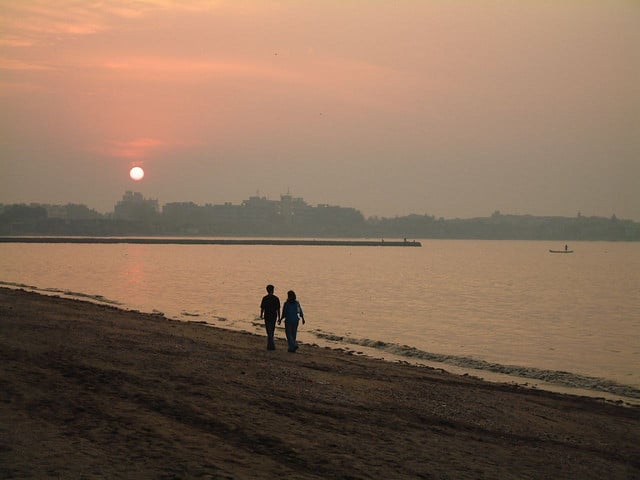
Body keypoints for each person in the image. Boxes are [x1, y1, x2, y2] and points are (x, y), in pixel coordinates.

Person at [260, 284, 280, 350]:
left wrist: (261, 314)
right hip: (273, 316)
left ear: (267, 290)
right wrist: (279, 317)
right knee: (272, 330)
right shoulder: (276, 298)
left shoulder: (265, 298)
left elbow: (262, 308)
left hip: (267, 315)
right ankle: (271, 345)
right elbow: (278, 309)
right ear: (273, 290)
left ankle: (270, 345)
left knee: (269, 331)